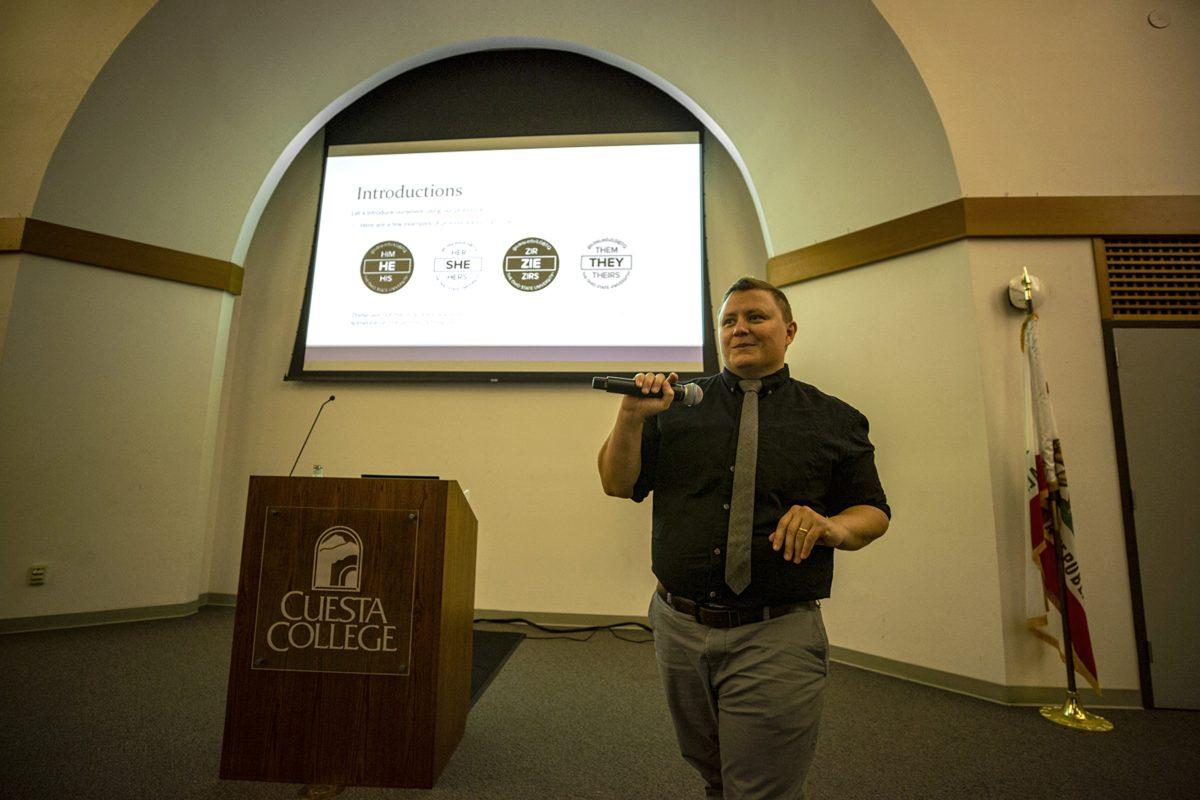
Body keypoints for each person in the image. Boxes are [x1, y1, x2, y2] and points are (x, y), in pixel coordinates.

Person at [597, 276, 890, 799]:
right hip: (678, 626)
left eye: (755, 317)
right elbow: (617, 484)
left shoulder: (834, 419)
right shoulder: (676, 407)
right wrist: (630, 419)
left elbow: (873, 511)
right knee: (713, 772)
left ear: (789, 330)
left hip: (775, 633)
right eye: (729, 321)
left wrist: (831, 528)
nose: (740, 329)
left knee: (760, 789)